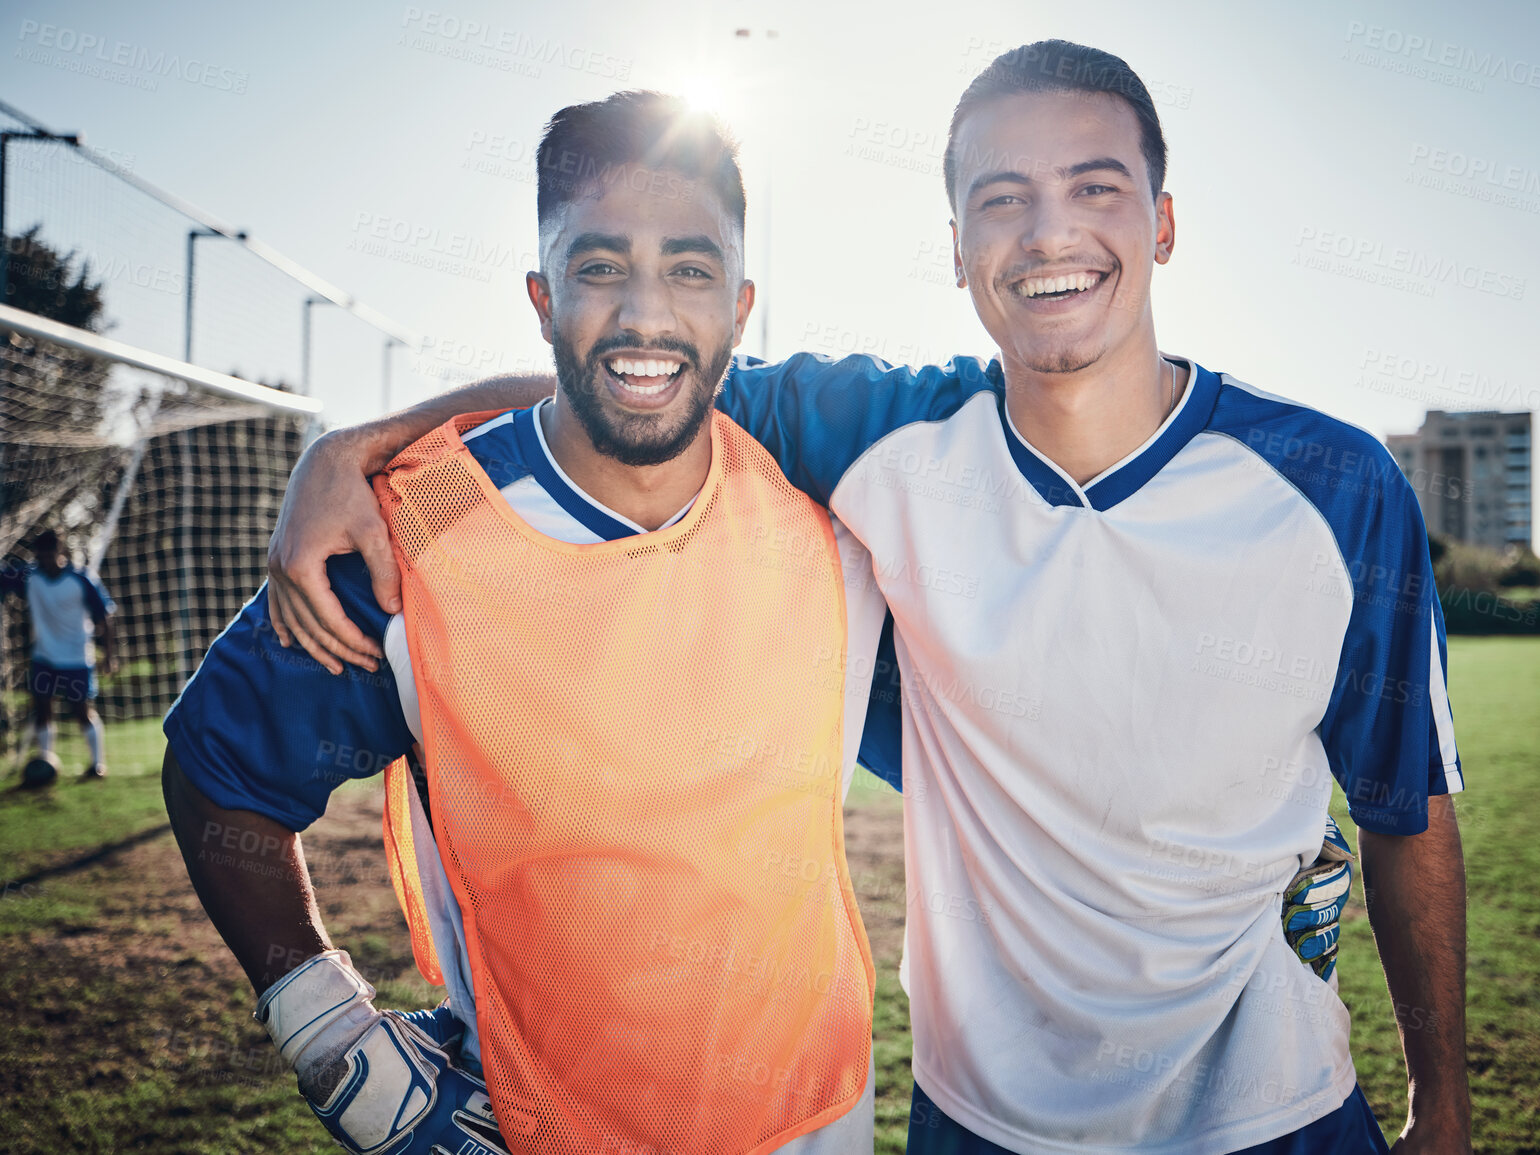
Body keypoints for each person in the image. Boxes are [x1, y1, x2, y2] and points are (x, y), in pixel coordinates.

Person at [273, 43, 1448, 1155]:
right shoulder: (875, 435)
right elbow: (640, 369)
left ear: (1165, 222)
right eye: (1002, 199)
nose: (1050, 233)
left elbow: (1409, 815)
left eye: (1096, 187)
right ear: (955, 245)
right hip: (983, 1120)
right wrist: (367, 445)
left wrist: (1442, 1107)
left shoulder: (1336, 486)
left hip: (1277, 1112)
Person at [162, 94, 888, 1155]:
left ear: (739, 302)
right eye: (601, 269)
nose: (647, 314)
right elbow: (218, 769)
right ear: (545, 298)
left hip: (820, 1115)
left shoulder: (834, 504)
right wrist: (327, 1038)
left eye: (689, 270)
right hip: (538, 1123)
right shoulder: (410, 533)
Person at [2, 528, 117, 778]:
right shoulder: (30, 577)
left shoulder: (81, 578)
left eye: (48, 554)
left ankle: (97, 764)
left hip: (76, 657)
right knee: (42, 708)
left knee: (80, 709)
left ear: (59, 551)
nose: (44, 560)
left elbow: (105, 617)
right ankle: (46, 760)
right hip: (44, 656)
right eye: (39, 556)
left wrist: (109, 655)